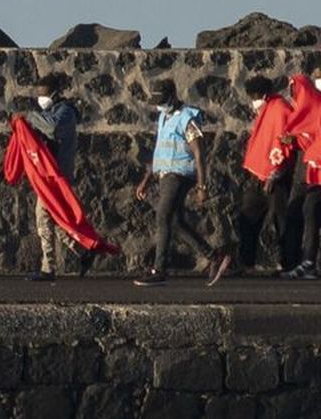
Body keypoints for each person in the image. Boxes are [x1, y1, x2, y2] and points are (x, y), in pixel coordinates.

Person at [133, 79, 223, 286]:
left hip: (180, 174)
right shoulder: (165, 117)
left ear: (173, 96)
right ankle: (213, 256)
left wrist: (202, 186)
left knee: (162, 216)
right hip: (165, 174)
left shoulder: (187, 118)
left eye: (162, 100)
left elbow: (199, 154)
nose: (159, 105)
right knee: (175, 221)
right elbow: (159, 152)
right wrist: (146, 180)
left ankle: (159, 269)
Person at [18, 74, 95, 281]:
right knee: (57, 220)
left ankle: (48, 268)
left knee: (43, 218)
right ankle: (84, 250)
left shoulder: (65, 112)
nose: (40, 99)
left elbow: (52, 128)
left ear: (54, 93)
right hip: (48, 175)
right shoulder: (50, 112)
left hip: (57, 175)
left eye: (42, 94)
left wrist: (31, 116)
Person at [227, 75, 295, 278]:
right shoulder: (267, 108)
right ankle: (247, 262)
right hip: (260, 176)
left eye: (255, 95)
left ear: (263, 93)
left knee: (281, 221)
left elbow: (283, 144)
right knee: (247, 218)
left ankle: (289, 264)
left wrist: (274, 173)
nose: (253, 99)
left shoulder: (280, 108)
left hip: (276, 176)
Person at [279, 62, 321, 279]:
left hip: (316, 165)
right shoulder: (310, 106)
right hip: (309, 165)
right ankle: (305, 260)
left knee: (310, 209)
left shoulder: (313, 105)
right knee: (305, 211)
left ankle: (308, 262)